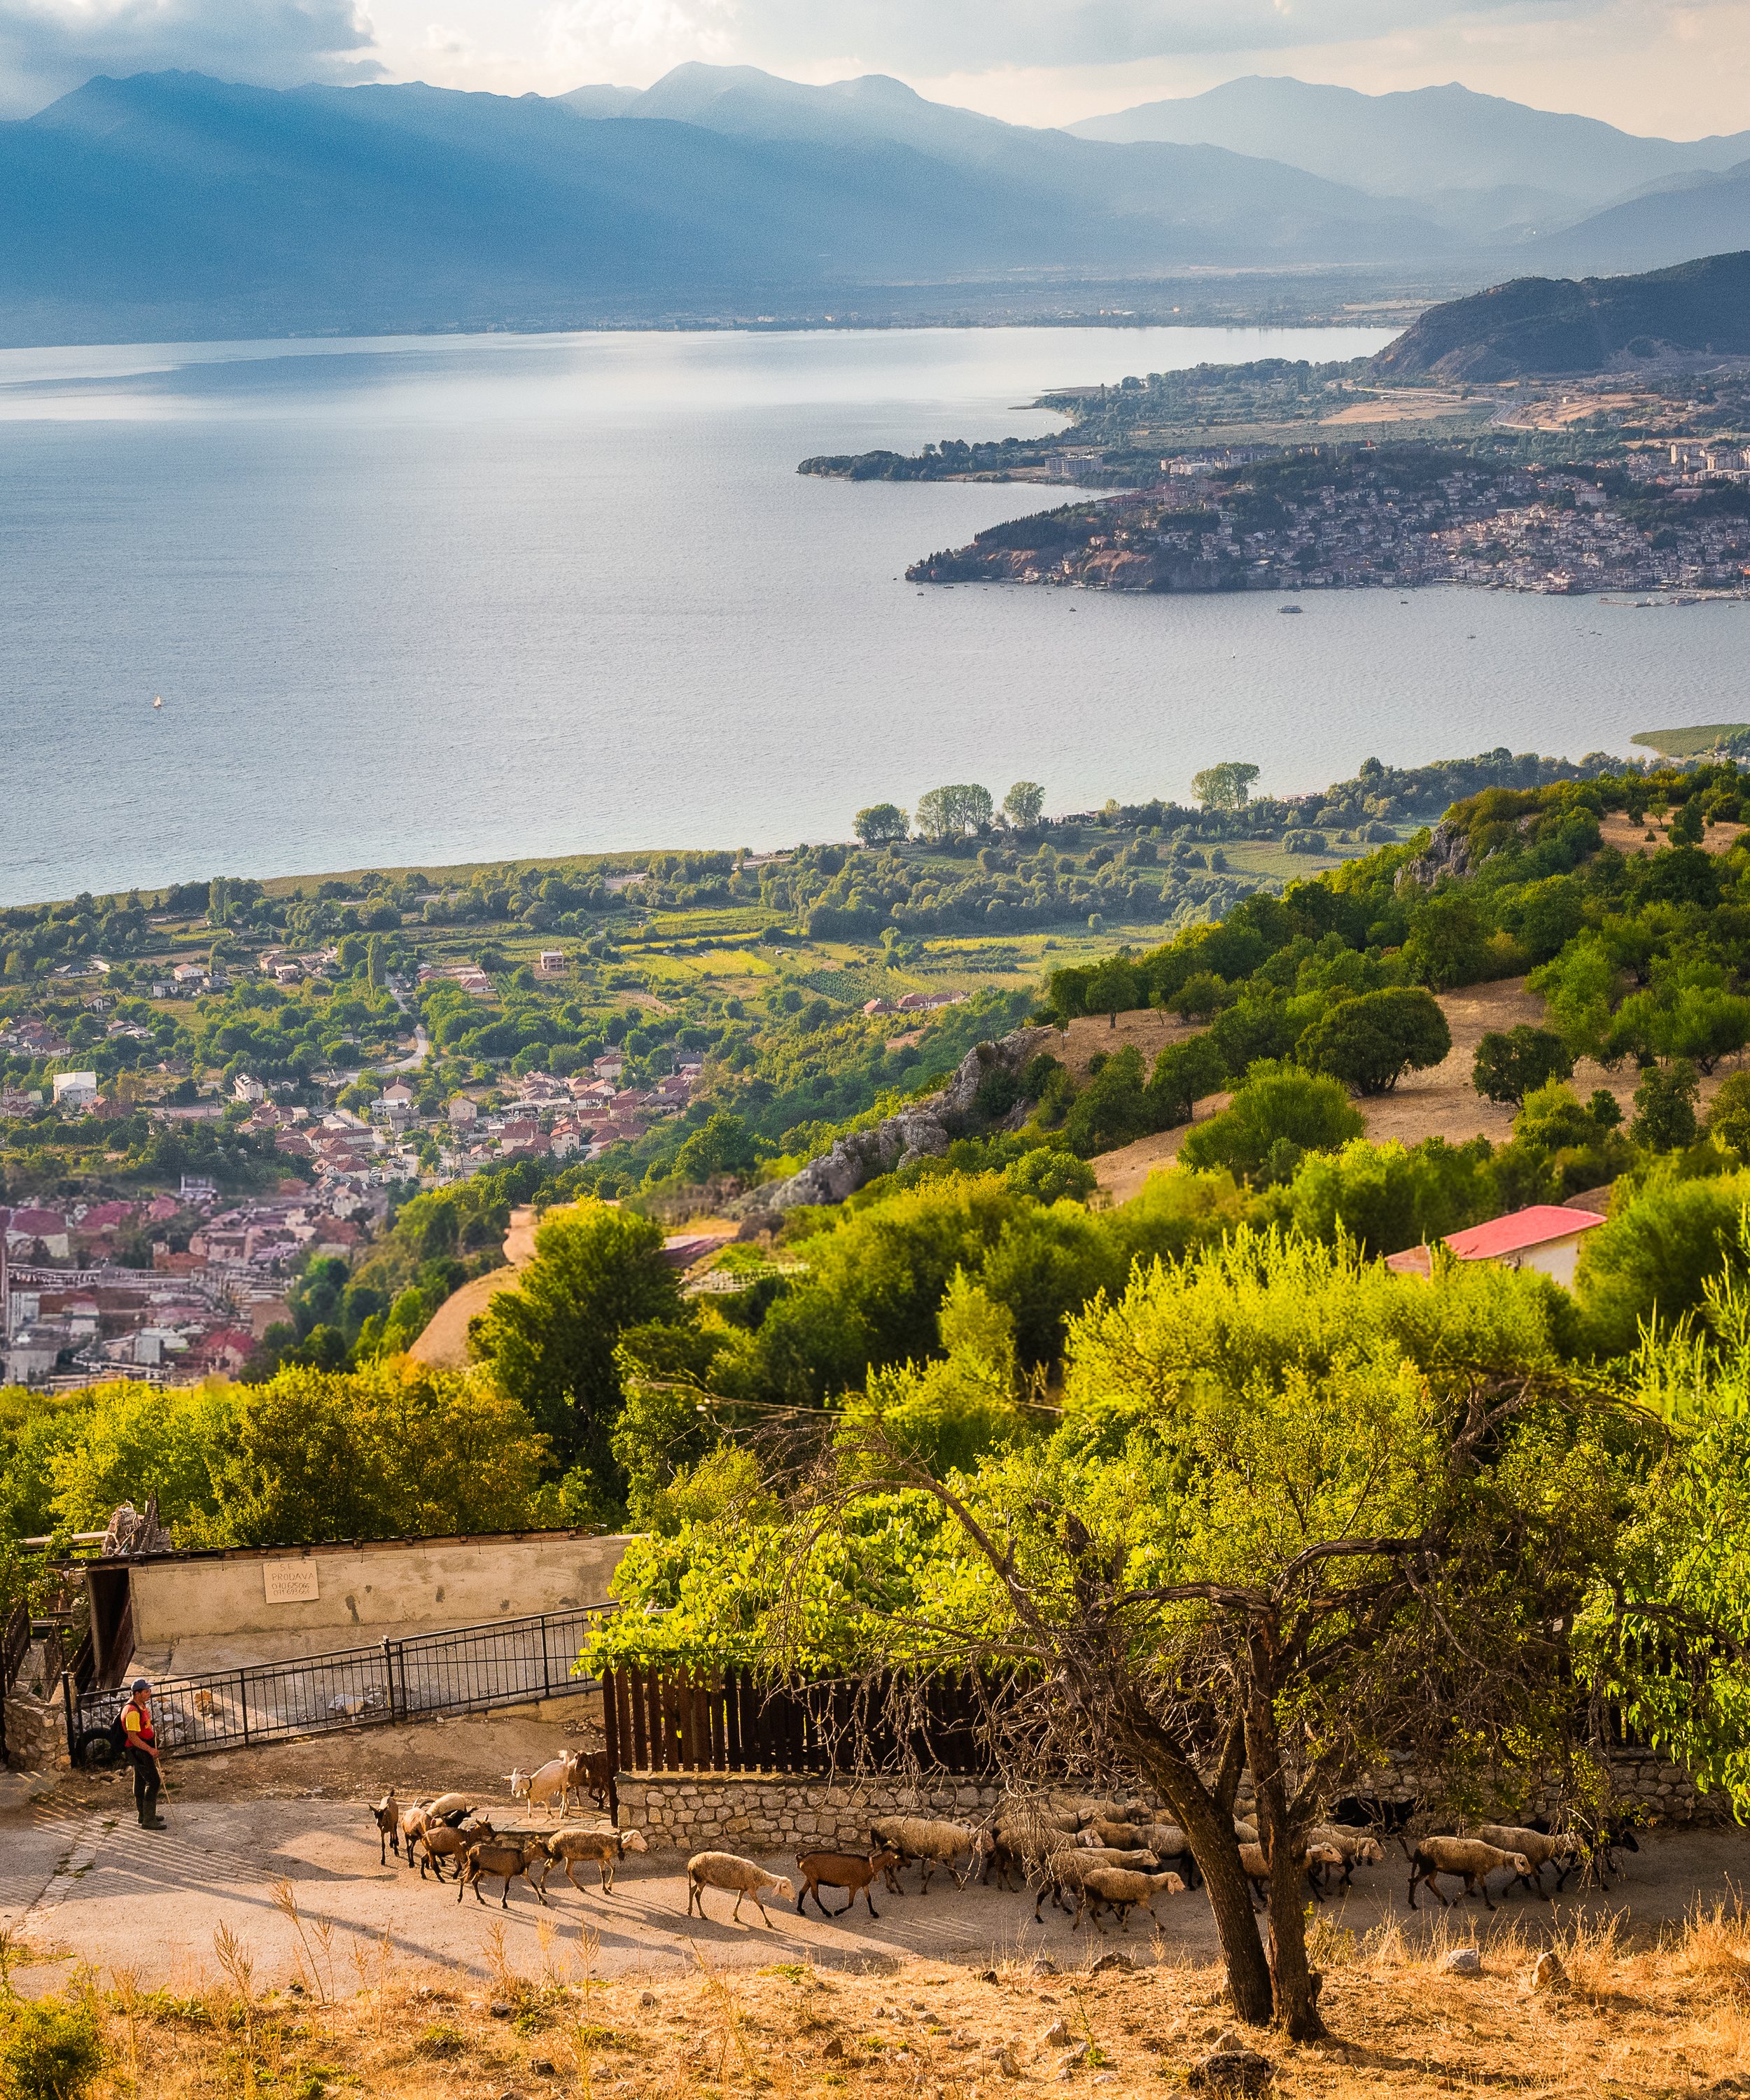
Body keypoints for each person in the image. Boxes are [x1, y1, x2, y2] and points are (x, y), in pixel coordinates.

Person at [120, 1677, 166, 1830]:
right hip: (139, 1751)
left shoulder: (140, 1705)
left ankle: (144, 1815)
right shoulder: (132, 1712)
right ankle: (148, 1820)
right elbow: (133, 1737)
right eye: (146, 1691)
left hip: (141, 1749)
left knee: (140, 1781)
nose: (149, 1694)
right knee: (153, 1781)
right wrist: (150, 1749)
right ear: (137, 1693)